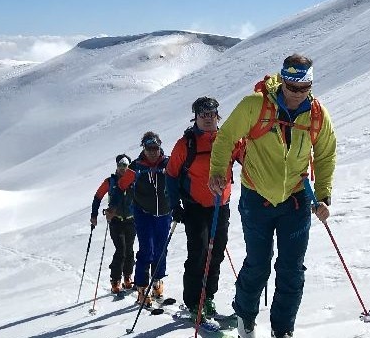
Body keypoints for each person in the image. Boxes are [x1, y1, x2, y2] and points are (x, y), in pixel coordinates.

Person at [207, 54, 336, 338]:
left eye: (304, 88)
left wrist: (324, 195)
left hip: (296, 199)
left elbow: (326, 154)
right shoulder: (256, 105)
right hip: (257, 198)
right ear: (283, 83)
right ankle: (246, 318)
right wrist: (217, 170)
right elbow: (226, 137)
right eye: (293, 88)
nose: (297, 95)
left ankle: (283, 329)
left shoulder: (316, 114)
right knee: (258, 264)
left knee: (292, 270)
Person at [166, 96, 235, 322]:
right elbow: (171, 175)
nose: (208, 119)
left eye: (211, 114)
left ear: (217, 116)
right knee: (199, 253)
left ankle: (209, 297)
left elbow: (246, 158)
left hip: (220, 206)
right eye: (203, 115)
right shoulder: (185, 144)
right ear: (195, 117)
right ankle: (194, 301)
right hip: (195, 207)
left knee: (216, 253)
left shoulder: (228, 139)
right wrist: (174, 204)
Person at [117, 131, 178, 306]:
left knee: (161, 249)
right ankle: (142, 288)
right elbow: (122, 185)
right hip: (143, 213)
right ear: (144, 148)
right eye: (149, 148)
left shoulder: (168, 162)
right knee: (147, 250)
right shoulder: (136, 166)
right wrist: (131, 176)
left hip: (164, 213)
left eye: (155, 148)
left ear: (160, 147)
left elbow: (180, 178)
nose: (152, 151)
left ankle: (157, 281)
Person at [90, 154, 137, 293]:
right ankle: (115, 280)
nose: (123, 168)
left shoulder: (133, 180)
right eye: (121, 165)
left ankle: (127, 276)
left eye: (126, 166)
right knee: (121, 250)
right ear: (117, 166)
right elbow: (98, 197)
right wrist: (94, 215)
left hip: (131, 220)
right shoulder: (110, 181)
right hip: (115, 221)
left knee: (129, 250)